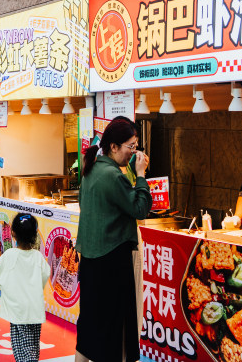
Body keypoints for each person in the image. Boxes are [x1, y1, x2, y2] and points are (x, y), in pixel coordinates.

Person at [75, 117, 151, 362]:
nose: (133, 152)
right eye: (130, 146)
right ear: (114, 147)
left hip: (90, 260)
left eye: (136, 145)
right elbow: (139, 209)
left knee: (89, 325)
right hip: (112, 261)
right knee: (114, 327)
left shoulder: (92, 170)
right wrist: (140, 175)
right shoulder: (112, 175)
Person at [0, 213, 50, 362]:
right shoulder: (38, 257)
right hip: (34, 310)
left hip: (18, 312)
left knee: (22, 351)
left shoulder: (10, 255)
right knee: (32, 347)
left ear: (13, 233)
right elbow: (45, 275)